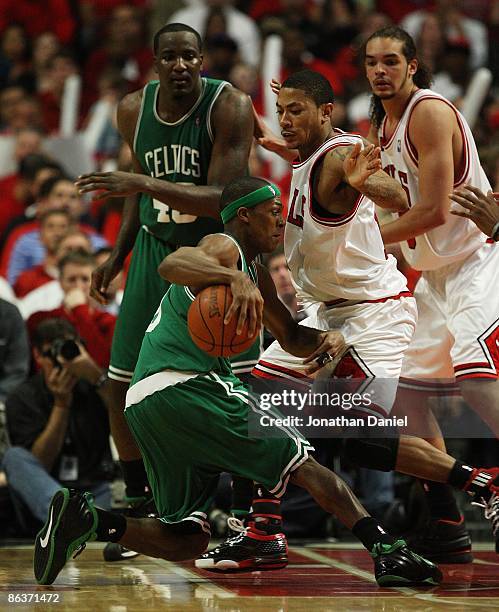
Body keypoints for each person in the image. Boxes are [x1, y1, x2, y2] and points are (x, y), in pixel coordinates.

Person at [33, 175, 442, 588]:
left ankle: (88, 520)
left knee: (187, 538)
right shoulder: (223, 247)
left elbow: (294, 338)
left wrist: (329, 338)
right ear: (244, 216)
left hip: (146, 402)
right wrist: (232, 278)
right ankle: (387, 551)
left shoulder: (258, 273)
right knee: (302, 461)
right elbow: (169, 265)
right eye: (272, 213)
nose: (280, 222)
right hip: (186, 382)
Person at [74, 21, 255, 557]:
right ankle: (138, 503)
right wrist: (117, 253)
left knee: (241, 386)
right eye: (170, 57)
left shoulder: (230, 106)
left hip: (211, 255)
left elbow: (226, 195)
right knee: (120, 385)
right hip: (155, 253)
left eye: (190, 56)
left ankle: (245, 513)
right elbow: (135, 193)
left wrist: (143, 183)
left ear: (203, 60)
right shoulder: (132, 109)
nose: (181, 65)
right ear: (154, 62)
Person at [363, 25, 499, 560]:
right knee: (408, 395)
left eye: (391, 60)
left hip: (477, 261)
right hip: (435, 276)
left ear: (413, 65)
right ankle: (446, 521)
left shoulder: (428, 112)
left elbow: (437, 211)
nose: (380, 70)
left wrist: (363, 241)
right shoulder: (383, 124)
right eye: (372, 62)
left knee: (474, 375)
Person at [3, 318, 113, 526]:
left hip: (93, 490)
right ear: (37, 356)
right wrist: (61, 405)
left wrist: (97, 377)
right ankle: (70, 519)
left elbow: (128, 425)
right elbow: (40, 464)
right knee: (14, 457)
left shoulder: (96, 386)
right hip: (43, 495)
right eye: (53, 354)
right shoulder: (22, 397)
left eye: (69, 351)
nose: (63, 362)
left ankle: (72, 523)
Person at [27, 252, 116, 369]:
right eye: (71, 280)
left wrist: (79, 309)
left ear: (96, 284)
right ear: (60, 283)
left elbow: (103, 363)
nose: (78, 286)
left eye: (85, 279)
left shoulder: (109, 322)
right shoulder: (40, 319)